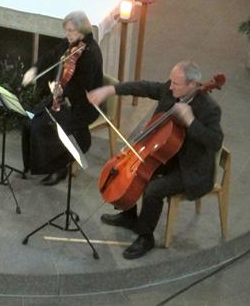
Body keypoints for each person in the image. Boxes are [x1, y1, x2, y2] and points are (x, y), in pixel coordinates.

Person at [87, 60, 223, 259]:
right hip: (166, 154)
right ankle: (129, 215)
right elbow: (143, 87)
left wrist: (190, 121)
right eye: (171, 81)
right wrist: (110, 90)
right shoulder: (169, 91)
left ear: (192, 85)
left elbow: (215, 141)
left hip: (190, 167)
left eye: (176, 83)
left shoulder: (209, 109)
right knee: (136, 172)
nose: (170, 86)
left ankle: (145, 236)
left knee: (153, 189)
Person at [21, 11, 103, 186]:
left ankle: (59, 168)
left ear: (81, 31)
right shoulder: (71, 44)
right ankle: (33, 164)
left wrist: (61, 91)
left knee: (43, 127)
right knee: (30, 119)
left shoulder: (90, 54)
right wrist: (34, 69)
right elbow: (51, 55)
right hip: (63, 98)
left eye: (70, 30)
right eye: (66, 30)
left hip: (82, 106)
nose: (67, 35)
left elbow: (83, 86)